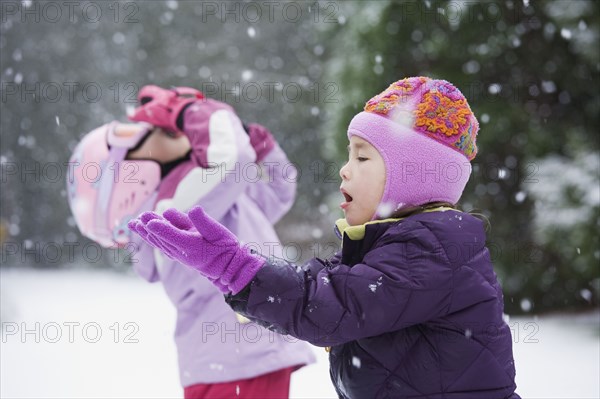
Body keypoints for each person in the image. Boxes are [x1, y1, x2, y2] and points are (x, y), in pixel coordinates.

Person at [129, 77, 520, 398]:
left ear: (414, 175)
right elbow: (317, 287)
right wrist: (229, 270)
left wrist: (234, 267)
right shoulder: (388, 246)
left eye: (362, 158)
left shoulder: (430, 250)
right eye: (349, 156)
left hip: (238, 360)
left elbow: (328, 305)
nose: (345, 171)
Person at [67, 85, 315, 399]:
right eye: (163, 131)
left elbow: (278, 192)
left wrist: (260, 146)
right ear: (130, 173)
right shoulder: (171, 208)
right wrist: (189, 111)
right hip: (238, 359)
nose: (172, 128)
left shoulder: (208, 195)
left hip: (234, 361)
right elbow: (233, 158)